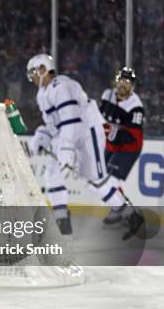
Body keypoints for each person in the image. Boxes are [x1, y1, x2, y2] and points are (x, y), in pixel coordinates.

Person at [26, 54, 143, 237]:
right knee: (52, 173)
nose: (32, 77)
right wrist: (43, 136)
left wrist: (66, 149)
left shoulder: (61, 86)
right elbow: (54, 124)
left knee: (95, 183)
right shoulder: (43, 94)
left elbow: (72, 120)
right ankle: (62, 221)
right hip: (70, 133)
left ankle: (131, 215)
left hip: (88, 133)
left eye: (34, 72)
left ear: (43, 69)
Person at [99, 67, 145, 230]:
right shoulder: (107, 95)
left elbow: (133, 135)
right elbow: (99, 117)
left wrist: (112, 133)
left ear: (132, 86)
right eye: (121, 80)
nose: (123, 84)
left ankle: (127, 213)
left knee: (111, 180)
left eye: (127, 81)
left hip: (129, 147)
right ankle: (119, 209)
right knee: (102, 179)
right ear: (116, 81)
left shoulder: (136, 106)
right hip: (111, 144)